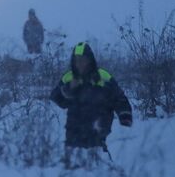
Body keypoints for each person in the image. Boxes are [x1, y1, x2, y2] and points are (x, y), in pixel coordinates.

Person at [50, 42, 132, 170]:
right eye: (76, 60)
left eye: (83, 60)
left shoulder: (103, 76)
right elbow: (56, 98)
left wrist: (124, 115)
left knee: (100, 167)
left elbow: (119, 98)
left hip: (98, 131)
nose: (79, 64)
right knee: (73, 169)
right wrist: (68, 88)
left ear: (90, 59)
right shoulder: (69, 77)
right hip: (73, 133)